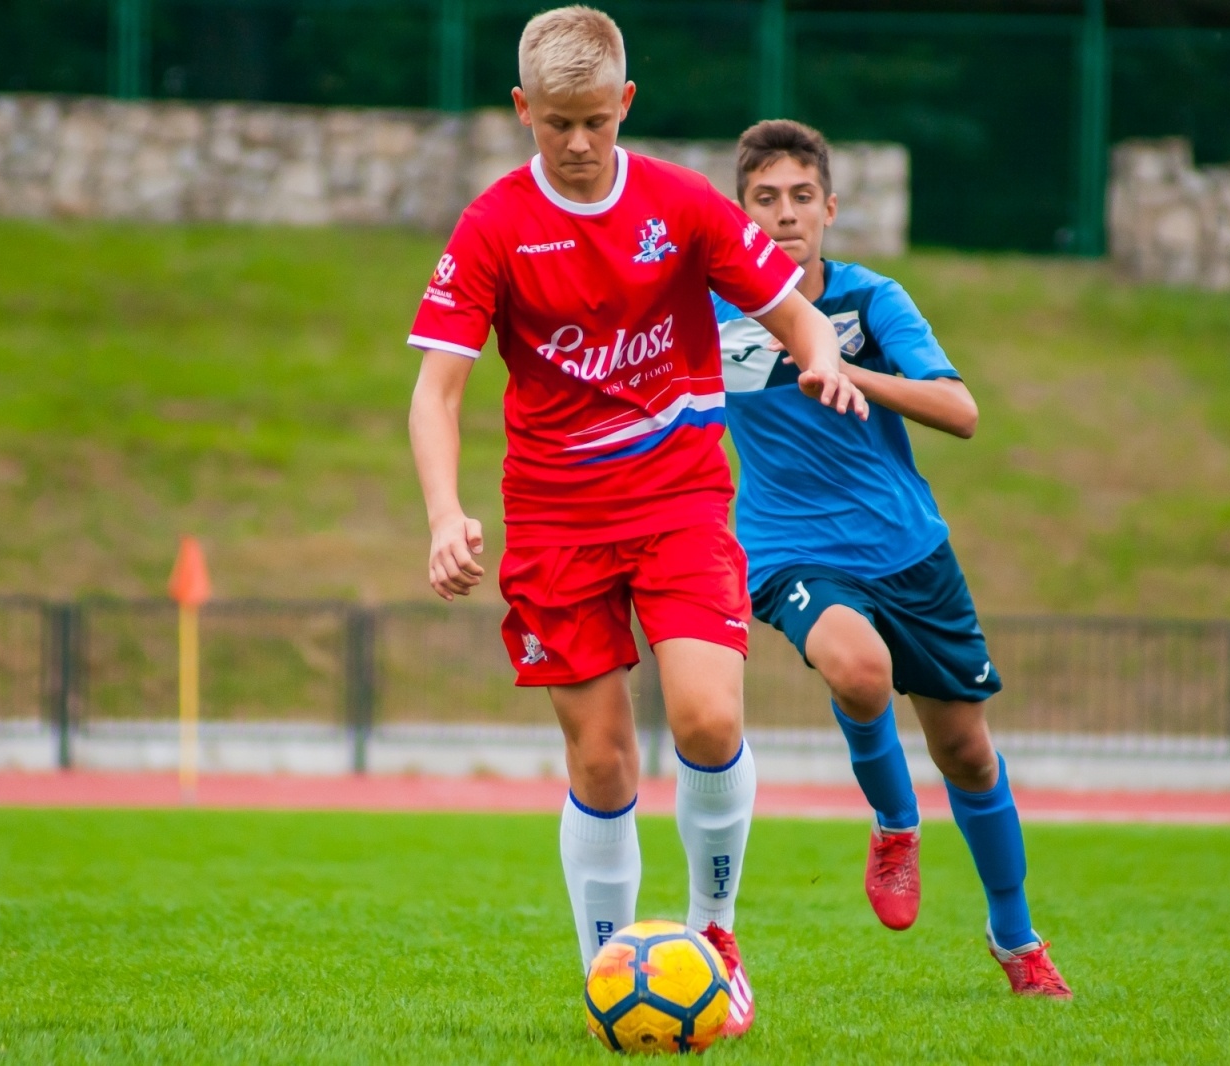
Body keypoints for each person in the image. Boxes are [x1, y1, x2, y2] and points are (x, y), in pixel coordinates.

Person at [405, 9, 867, 1035]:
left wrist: (820, 352)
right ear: (523, 110)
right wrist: (445, 513)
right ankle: (608, 979)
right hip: (556, 519)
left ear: (627, 104)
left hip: (678, 500)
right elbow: (436, 392)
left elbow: (788, 307)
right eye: (554, 122)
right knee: (603, 761)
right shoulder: (492, 225)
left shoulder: (680, 204)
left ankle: (713, 932)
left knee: (707, 718)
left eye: (594, 121)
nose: (575, 144)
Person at [714, 119, 1072, 999]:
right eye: (766, 198)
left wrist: (846, 369)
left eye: (803, 197)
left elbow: (962, 412)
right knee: (858, 669)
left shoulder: (872, 303)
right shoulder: (709, 315)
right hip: (790, 551)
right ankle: (894, 821)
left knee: (970, 754)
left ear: (830, 209)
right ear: (741, 213)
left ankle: (1016, 939)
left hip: (910, 552)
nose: (786, 214)